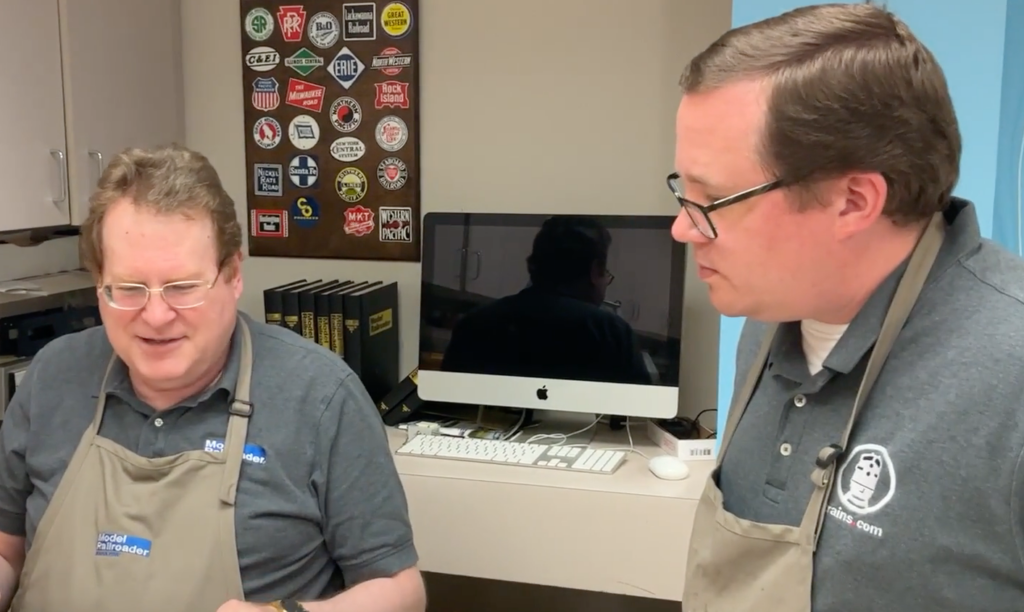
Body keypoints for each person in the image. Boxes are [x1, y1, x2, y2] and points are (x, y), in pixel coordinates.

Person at [670, 1, 1024, 612]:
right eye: (683, 192)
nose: (682, 229)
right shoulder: (769, 315)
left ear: (854, 201)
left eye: (716, 200)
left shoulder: (1009, 375)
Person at [0, 145, 426, 612]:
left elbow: (401, 590)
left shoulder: (320, 396)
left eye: (182, 287)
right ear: (100, 281)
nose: (156, 315)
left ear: (233, 275)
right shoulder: (52, 376)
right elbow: (7, 551)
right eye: (129, 288)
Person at [440, 216, 650, 386]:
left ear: (531, 265)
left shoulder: (474, 323)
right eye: (605, 273)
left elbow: (447, 396)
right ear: (595, 271)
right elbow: (641, 409)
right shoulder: (612, 332)